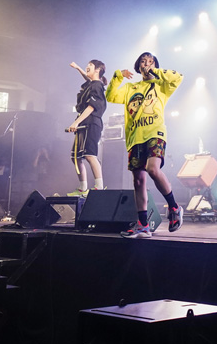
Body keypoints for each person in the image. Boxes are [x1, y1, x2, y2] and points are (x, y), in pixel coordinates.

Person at [106, 52, 183, 238]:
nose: (147, 64)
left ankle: (174, 208)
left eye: (151, 61)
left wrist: (156, 71)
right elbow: (111, 96)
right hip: (135, 138)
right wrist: (118, 76)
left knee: (153, 169)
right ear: (138, 66)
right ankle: (143, 225)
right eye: (143, 61)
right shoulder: (130, 88)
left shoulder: (161, 85)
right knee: (138, 181)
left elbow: (178, 77)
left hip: (155, 133)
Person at [66, 59, 107, 195]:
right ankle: (82, 189)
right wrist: (78, 68)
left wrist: (76, 123)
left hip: (91, 123)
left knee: (90, 155)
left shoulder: (97, 85)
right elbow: (87, 77)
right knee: (76, 157)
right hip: (83, 124)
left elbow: (91, 107)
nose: (87, 67)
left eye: (90, 65)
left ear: (98, 70)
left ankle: (99, 188)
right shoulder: (91, 83)